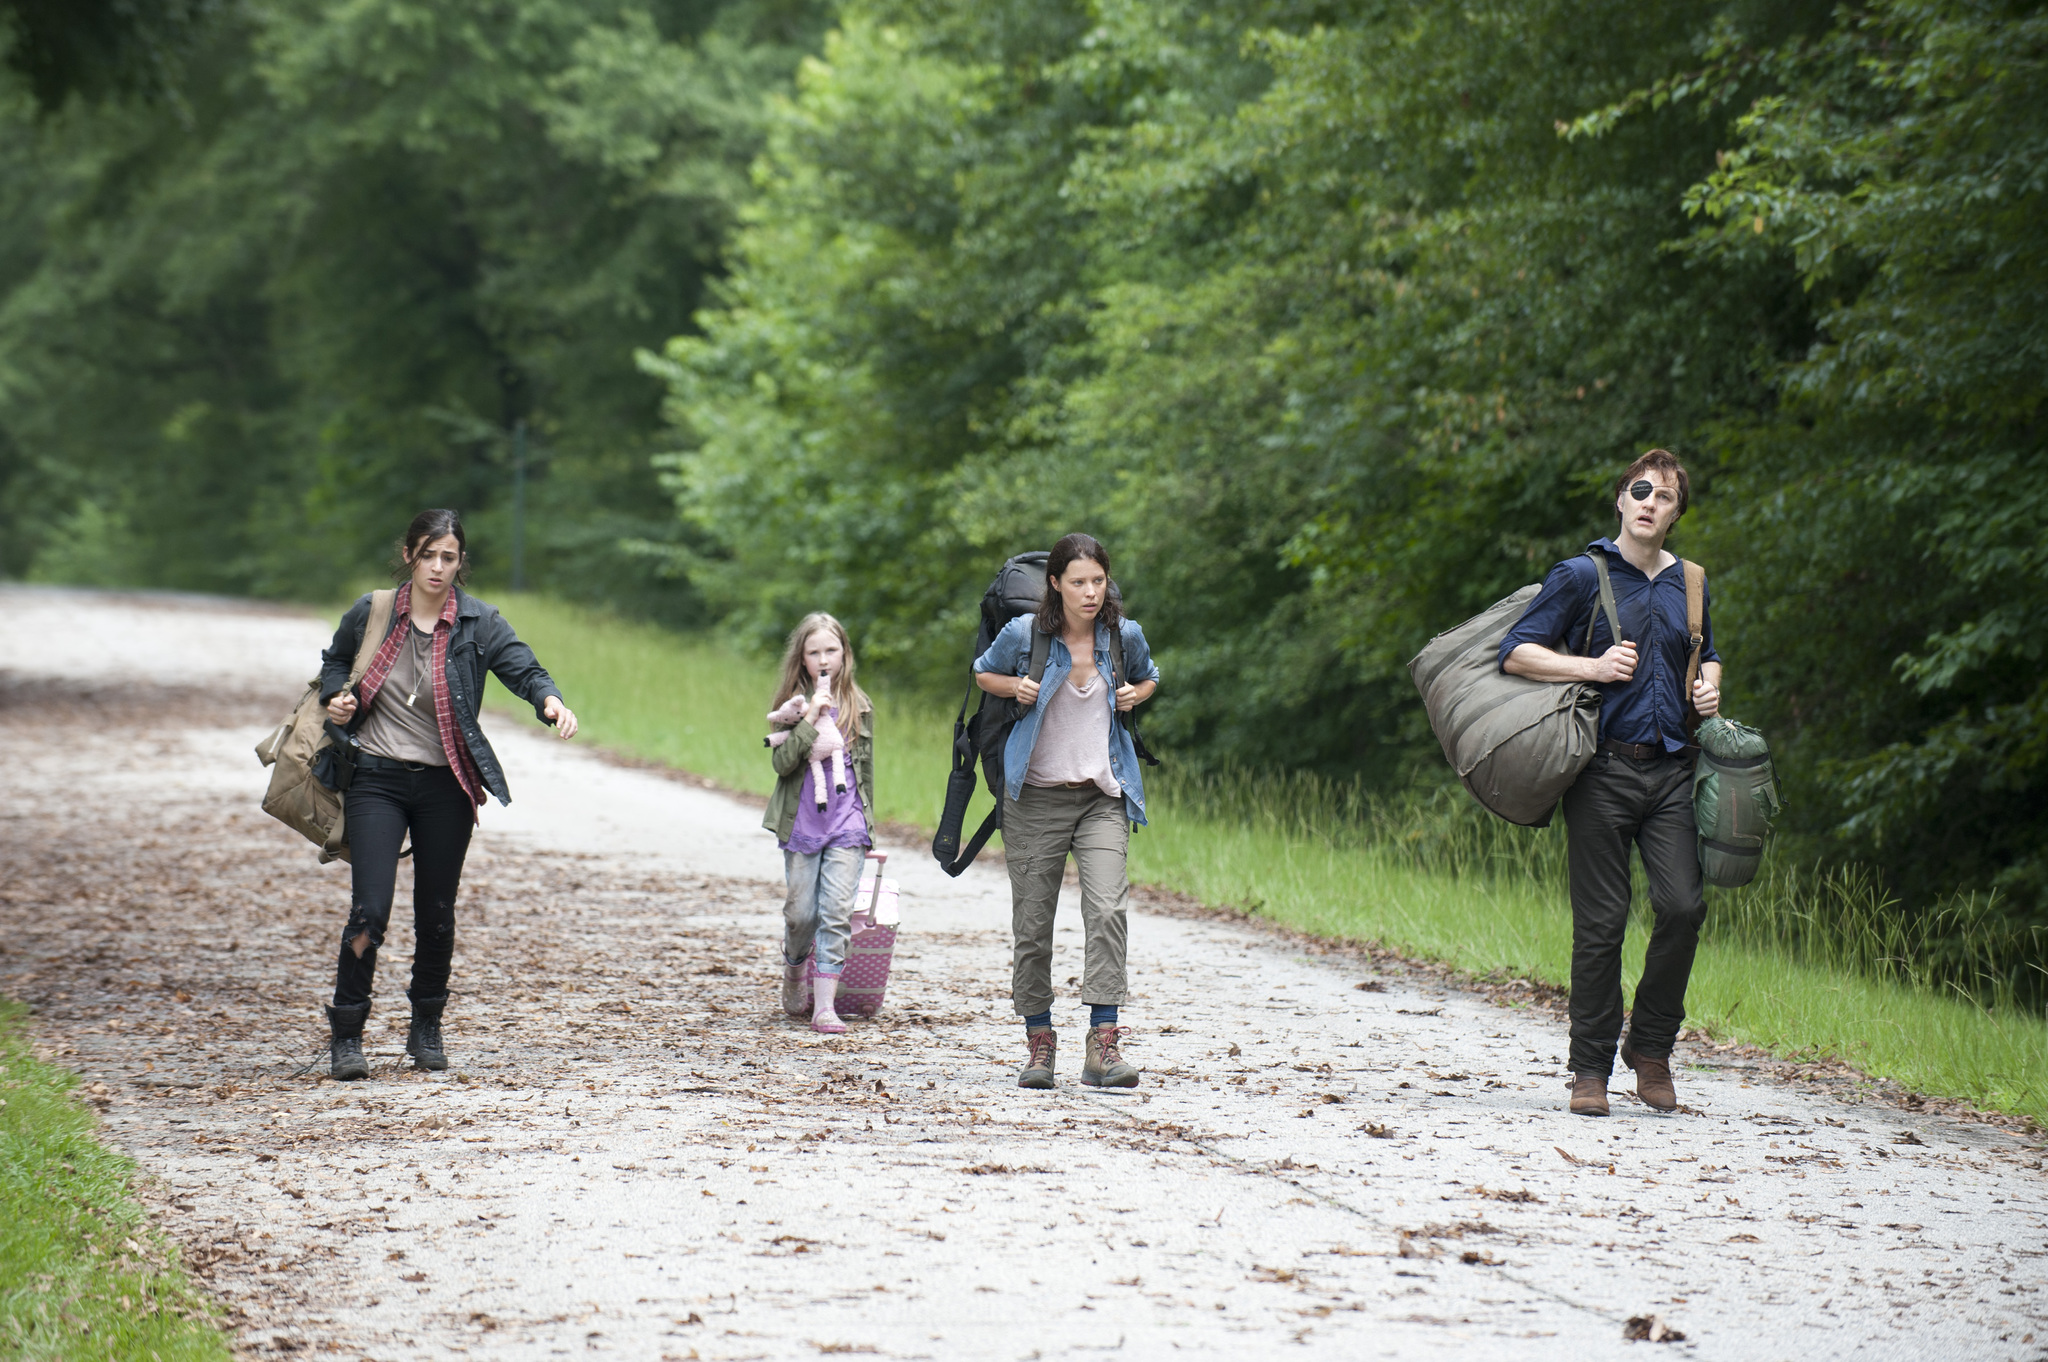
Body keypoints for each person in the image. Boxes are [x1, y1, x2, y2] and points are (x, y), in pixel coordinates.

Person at [1499, 450, 1722, 1117]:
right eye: (1641, 490)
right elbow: (1516, 652)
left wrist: (1709, 686)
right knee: (1601, 925)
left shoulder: (1692, 582)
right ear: (1621, 501)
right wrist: (1591, 668)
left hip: (1672, 772)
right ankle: (1589, 1068)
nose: (1652, 502)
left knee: (1683, 907)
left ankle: (1650, 1052)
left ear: (1676, 514)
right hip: (1600, 772)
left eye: (1666, 497)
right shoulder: (1580, 575)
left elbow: (1705, 656)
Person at [318, 509, 577, 1081]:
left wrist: (551, 701)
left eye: (450, 557)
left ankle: (426, 1025)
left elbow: (525, 670)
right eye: (429, 554)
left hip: (446, 785)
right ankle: (347, 1033)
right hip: (376, 779)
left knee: (436, 913)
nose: (438, 567)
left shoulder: (479, 623)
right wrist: (337, 697)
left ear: (461, 563)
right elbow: (336, 662)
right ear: (410, 553)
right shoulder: (374, 611)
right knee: (370, 910)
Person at [973, 533, 1160, 1090]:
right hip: (1035, 798)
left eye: (1098, 581)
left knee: (1107, 911)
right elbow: (983, 673)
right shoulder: (1023, 635)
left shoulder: (1124, 637)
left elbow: (1151, 676)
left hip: (1102, 796)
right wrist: (1016, 687)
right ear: (1055, 583)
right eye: (1078, 582)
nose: (1090, 592)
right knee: (1033, 927)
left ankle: (1103, 1043)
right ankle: (1039, 1040)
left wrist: (1136, 695)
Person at [763, 613, 875, 1035]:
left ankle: (824, 1007)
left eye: (832, 650)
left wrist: (869, 827)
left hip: (848, 822)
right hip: (803, 824)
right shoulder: (791, 706)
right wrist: (810, 719)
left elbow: (866, 774)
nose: (824, 659)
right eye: (815, 652)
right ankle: (794, 969)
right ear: (802, 659)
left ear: (845, 654)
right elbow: (782, 762)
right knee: (801, 914)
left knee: (836, 911)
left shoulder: (859, 706)